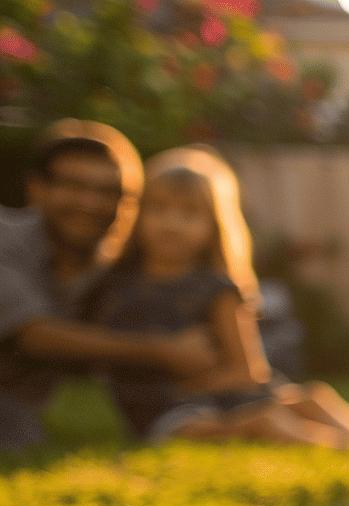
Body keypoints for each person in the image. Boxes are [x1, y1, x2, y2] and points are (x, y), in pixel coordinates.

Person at [90, 146, 349, 449]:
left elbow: (248, 371)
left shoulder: (217, 290)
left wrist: (194, 385)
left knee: (311, 397)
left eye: (189, 214)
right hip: (167, 416)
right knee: (266, 421)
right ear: (136, 216)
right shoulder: (117, 283)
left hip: (214, 398)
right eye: (159, 210)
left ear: (213, 228)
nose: (171, 223)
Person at [0, 120, 216, 451]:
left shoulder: (118, 270)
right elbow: (34, 335)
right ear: (36, 189)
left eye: (108, 192)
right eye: (74, 186)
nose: (90, 202)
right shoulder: (6, 238)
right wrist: (165, 350)